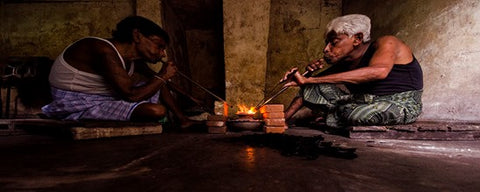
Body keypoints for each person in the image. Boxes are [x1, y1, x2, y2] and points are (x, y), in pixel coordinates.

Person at [41, 16, 200, 129]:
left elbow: (155, 80)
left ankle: (182, 119)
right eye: (159, 46)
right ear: (137, 35)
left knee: (154, 82)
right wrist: (164, 74)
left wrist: (186, 95)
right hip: (76, 102)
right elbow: (131, 95)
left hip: (102, 96)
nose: (163, 54)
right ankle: (177, 119)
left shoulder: (130, 58)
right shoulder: (103, 51)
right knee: (156, 110)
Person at [282, 14, 423, 128]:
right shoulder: (347, 61)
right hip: (364, 101)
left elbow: (379, 71)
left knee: (355, 114)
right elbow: (311, 86)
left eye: (334, 42)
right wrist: (306, 76)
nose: (326, 49)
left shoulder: (387, 42)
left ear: (357, 39)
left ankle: (329, 116)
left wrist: (310, 80)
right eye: (327, 43)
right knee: (316, 89)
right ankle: (285, 118)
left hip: (399, 104)